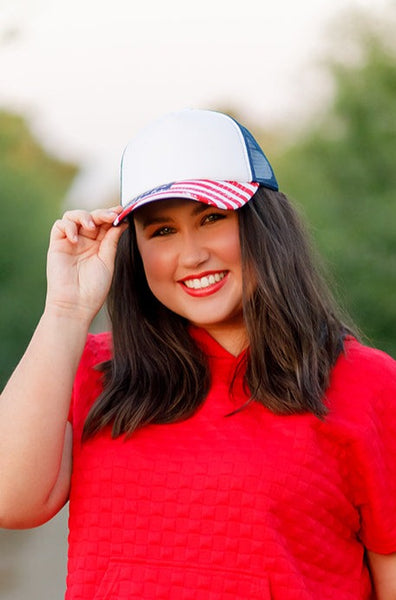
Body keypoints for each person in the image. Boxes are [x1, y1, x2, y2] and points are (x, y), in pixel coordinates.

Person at [0, 108, 395, 600]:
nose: (191, 255)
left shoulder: (367, 383)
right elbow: (10, 500)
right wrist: (65, 309)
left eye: (212, 218)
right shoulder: (98, 370)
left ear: (263, 226)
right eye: (161, 231)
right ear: (135, 250)